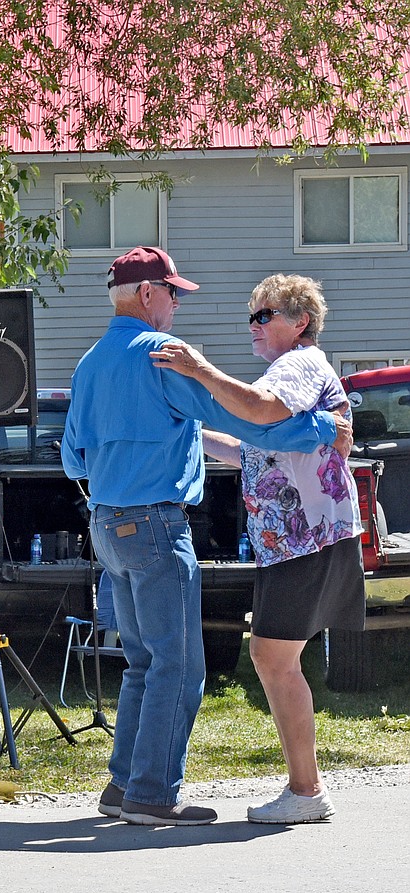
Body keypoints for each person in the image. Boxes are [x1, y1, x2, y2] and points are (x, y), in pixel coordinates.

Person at [61, 246, 352, 826]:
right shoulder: (161, 355)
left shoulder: (90, 362)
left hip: (106, 523)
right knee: (181, 664)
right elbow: (243, 418)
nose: (176, 304)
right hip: (156, 525)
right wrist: (324, 428)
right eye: (173, 293)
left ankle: (123, 786)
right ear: (148, 295)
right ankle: (152, 793)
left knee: (142, 661)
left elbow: (72, 457)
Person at [150, 274, 363, 823]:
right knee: (274, 658)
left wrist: (200, 371)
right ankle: (305, 789)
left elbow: (263, 411)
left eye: (264, 315)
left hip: (304, 539)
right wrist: (189, 427)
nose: (254, 325)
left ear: (300, 323)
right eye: (251, 315)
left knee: (272, 658)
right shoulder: (293, 369)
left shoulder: (297, 365)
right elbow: (252, 443)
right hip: (298, 540)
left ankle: (307, 792)